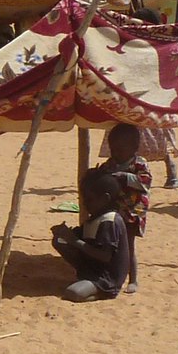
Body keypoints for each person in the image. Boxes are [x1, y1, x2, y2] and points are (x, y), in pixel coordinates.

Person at [51, 169, 132, 302]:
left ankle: (104, 293)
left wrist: (74, 240)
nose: (84, 203)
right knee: (60, 243)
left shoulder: (109, 221)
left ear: (105, 198)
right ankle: (87, 280)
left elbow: (105, 255)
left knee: (73, 293)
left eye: (89, 199)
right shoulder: (95, 218)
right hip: (94, 269)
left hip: (106, 278)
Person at [93, 125, 152, 288]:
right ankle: (115, 273)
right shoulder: (111, 164)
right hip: (114, 211)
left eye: (120, 149)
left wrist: (125, 177)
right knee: (113, 244)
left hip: (133, 212)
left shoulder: (139, 164)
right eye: (113, 149)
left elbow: (145, 183)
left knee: (129, 245)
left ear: (134, 148)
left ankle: (133, 280)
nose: (116, 153)